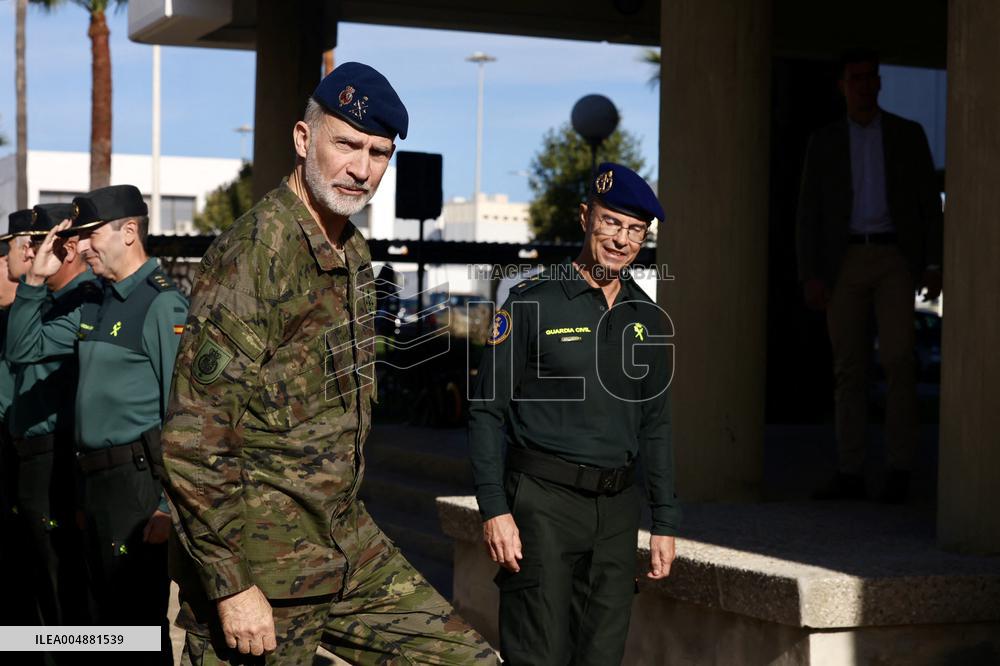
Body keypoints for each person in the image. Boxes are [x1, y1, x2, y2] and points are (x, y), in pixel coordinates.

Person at [162, 62, 496, 665]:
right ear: (303, 138)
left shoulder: (352, 252)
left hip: (341, 543)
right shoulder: (255, 254)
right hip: (261, 565)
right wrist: (233, 585)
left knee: (464, 659)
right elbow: (193, 440)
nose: (362, 168)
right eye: (346, 143)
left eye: (379, 153)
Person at [468, 162, 680, 665]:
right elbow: (485, 413)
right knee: (538, 655)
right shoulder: (531, 303)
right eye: (611, 222)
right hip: (542, 506)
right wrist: (495, 509)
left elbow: (657, 425)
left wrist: (665, 519)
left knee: (601, 657)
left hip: (616, 511)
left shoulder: (648, 318)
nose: (622, 239)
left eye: (635, 230)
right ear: (585, 216)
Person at [10, 185, 188, 664]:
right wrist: (32, 282)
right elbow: (23, 350)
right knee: (102, 626)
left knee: (136, 627)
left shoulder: (161, 305)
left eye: (91, 234)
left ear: (129, 232)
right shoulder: (96, 301)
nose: (82, 245)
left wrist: (168, 504)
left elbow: (185, 412)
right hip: (93, 481)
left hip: (136, 485)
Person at [796, 49, 944, 503]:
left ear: (879, 84)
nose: (865, 84)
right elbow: (809, 213)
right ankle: (851, 471)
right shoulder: (824, 141)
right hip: (845, 263)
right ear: (842, 86)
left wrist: (934, 264)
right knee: (848, 370)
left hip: (894, 257)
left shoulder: (908, 135)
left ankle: (900, 468)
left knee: (899, 362)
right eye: (856, 78)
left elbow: (928, 205)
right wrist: (811, 275)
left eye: (871, 77)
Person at [6, 203, 99, 631]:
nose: (38, 253)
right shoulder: (49, 299)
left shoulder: (86, 301)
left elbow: (23, 351)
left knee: (65, 596)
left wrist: (34, 282)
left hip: (59, 458)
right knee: (40, 591)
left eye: (52, 243)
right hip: (31, 454)